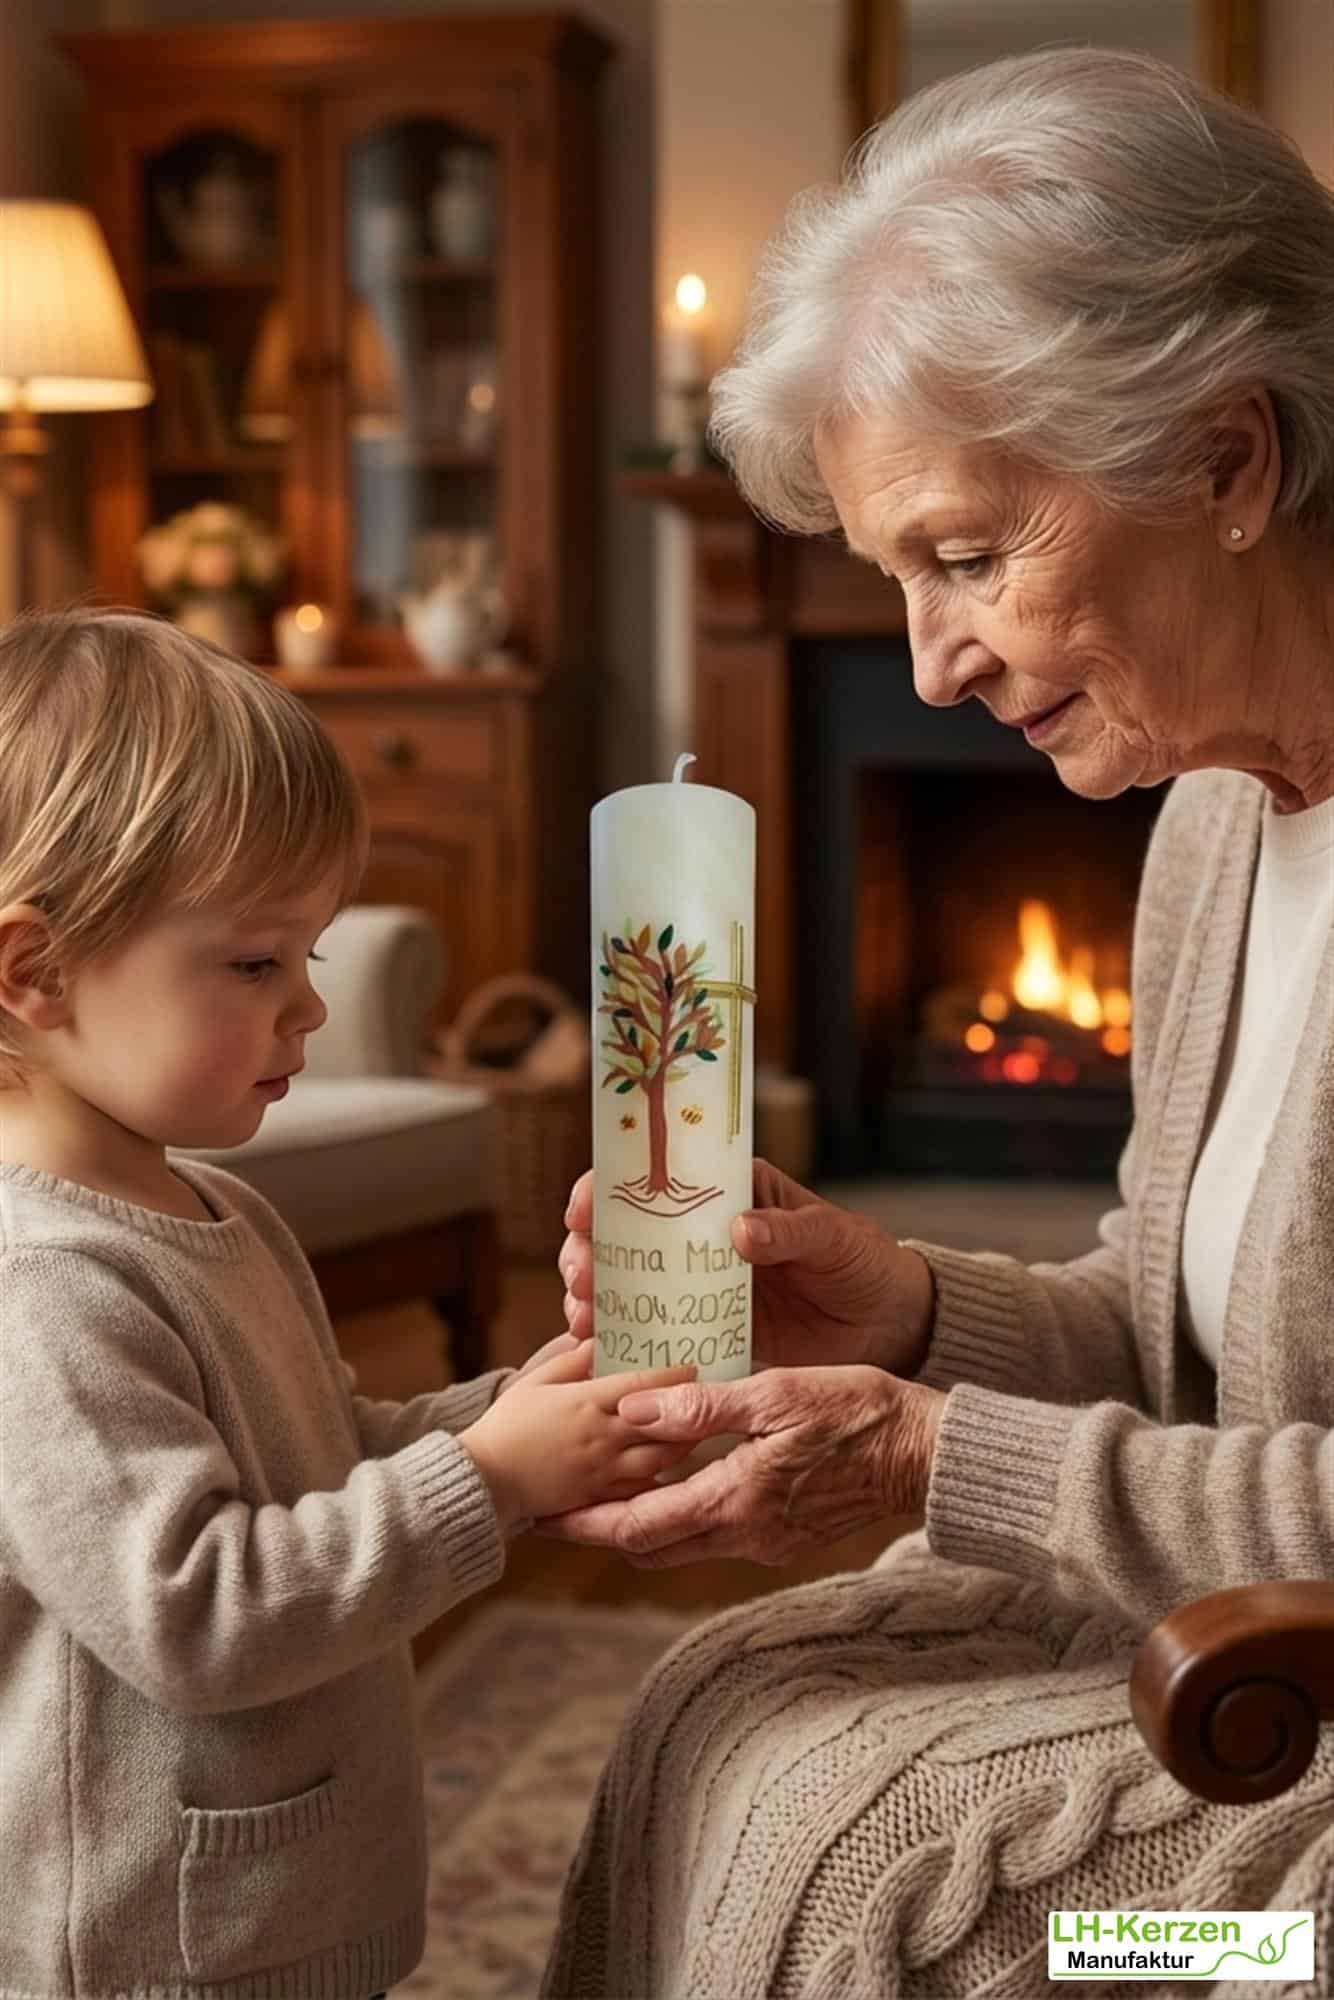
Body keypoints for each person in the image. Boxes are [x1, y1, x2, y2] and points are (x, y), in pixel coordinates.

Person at [540, 47, 1334, 1998]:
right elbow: (1176, 1325)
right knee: (722, 1705)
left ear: (1225, 460)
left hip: (1289, 1882)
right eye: (897, 579)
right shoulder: (1220, 826)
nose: (929, 659)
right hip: (1248, 1626)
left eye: (970, 557)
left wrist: (933, 1456)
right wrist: (896, 1307)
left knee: (951, 1904)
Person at [0, 607, 695, 2000]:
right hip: (149, 1951)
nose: (308, 1006)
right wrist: (484, 1484)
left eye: (311, 954)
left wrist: (508, 1411)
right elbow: (197, 1610)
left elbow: (320, 1455)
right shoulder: (44, 1287)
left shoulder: (217, 1209)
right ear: (33, 972)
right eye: (256, 962)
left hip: (272, 1905)